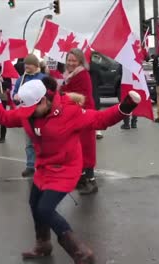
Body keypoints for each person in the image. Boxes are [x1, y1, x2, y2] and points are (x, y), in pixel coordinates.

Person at [0, 76, 141, 264]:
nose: (29, 114)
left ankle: (81, 253)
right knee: (34, 203)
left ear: (44, 100)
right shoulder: (29, 113)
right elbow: (4, 117)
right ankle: (43, 245)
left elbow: (100, 119)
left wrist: (126, 106)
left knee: (45, 209)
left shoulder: (70, 112)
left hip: (65, 169)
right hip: (44, 167)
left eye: (33, 109)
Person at [60, 48, 98, 195]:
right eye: (69, 60)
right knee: (77, 148)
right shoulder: (69, 75)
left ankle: (91, 181)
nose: (70, 63)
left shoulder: (82, 75)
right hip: (75, 116)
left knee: (86, 148)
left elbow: (80, 95)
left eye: (73, 60)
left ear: (80, 62)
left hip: (85, 116)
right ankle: (81, 180)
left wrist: (62, 93)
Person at [13, 54, 46, 178]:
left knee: (43, 142)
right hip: (27, 115)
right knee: (29, 143)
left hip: (41, 115)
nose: (26, 66)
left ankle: (44, 165)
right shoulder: (21, 79)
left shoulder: (43, 78)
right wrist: (15, 97)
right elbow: (15, 93)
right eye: (25, 63)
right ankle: (30, 166)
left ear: (36, 65)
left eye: (29, 64)